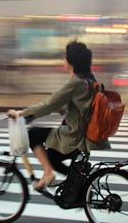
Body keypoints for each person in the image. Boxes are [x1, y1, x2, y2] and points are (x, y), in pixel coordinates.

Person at [7, 40, 110, 190]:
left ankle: (48, 173)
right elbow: (74, 103)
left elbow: (50, 104)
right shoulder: (89, 79)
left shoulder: (74, 83)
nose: (63, 59)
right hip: (86, 134)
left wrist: (22, 113)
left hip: (75, 136)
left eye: (65, 56)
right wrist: (53, 110)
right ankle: (79, 185)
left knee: (33, 135)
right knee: (52, 156)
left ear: (71, 62)